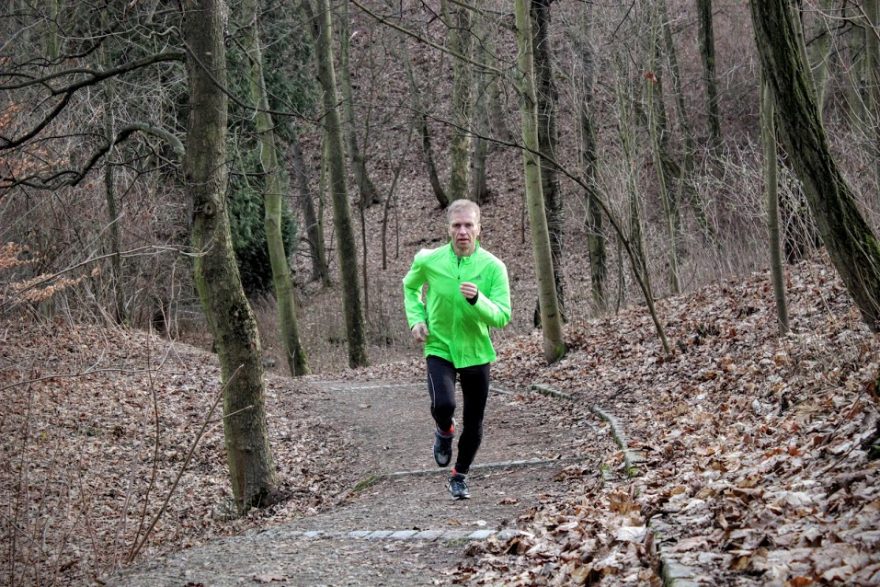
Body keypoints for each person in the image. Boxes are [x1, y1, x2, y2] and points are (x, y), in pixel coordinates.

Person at [402, 199, 511, 500]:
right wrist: (416, 320)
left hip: (476, 350)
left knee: (474, 423)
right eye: (456, 225)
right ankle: (444, 431)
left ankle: (459, 476)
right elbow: (410, 288)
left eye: (468, 225)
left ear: (479, 228)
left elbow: (502, 316)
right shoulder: (429, 260)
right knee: (443, 405)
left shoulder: (493, 267)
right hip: (439, 346)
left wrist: (479, 300)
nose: (462, 231)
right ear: (448, 228)